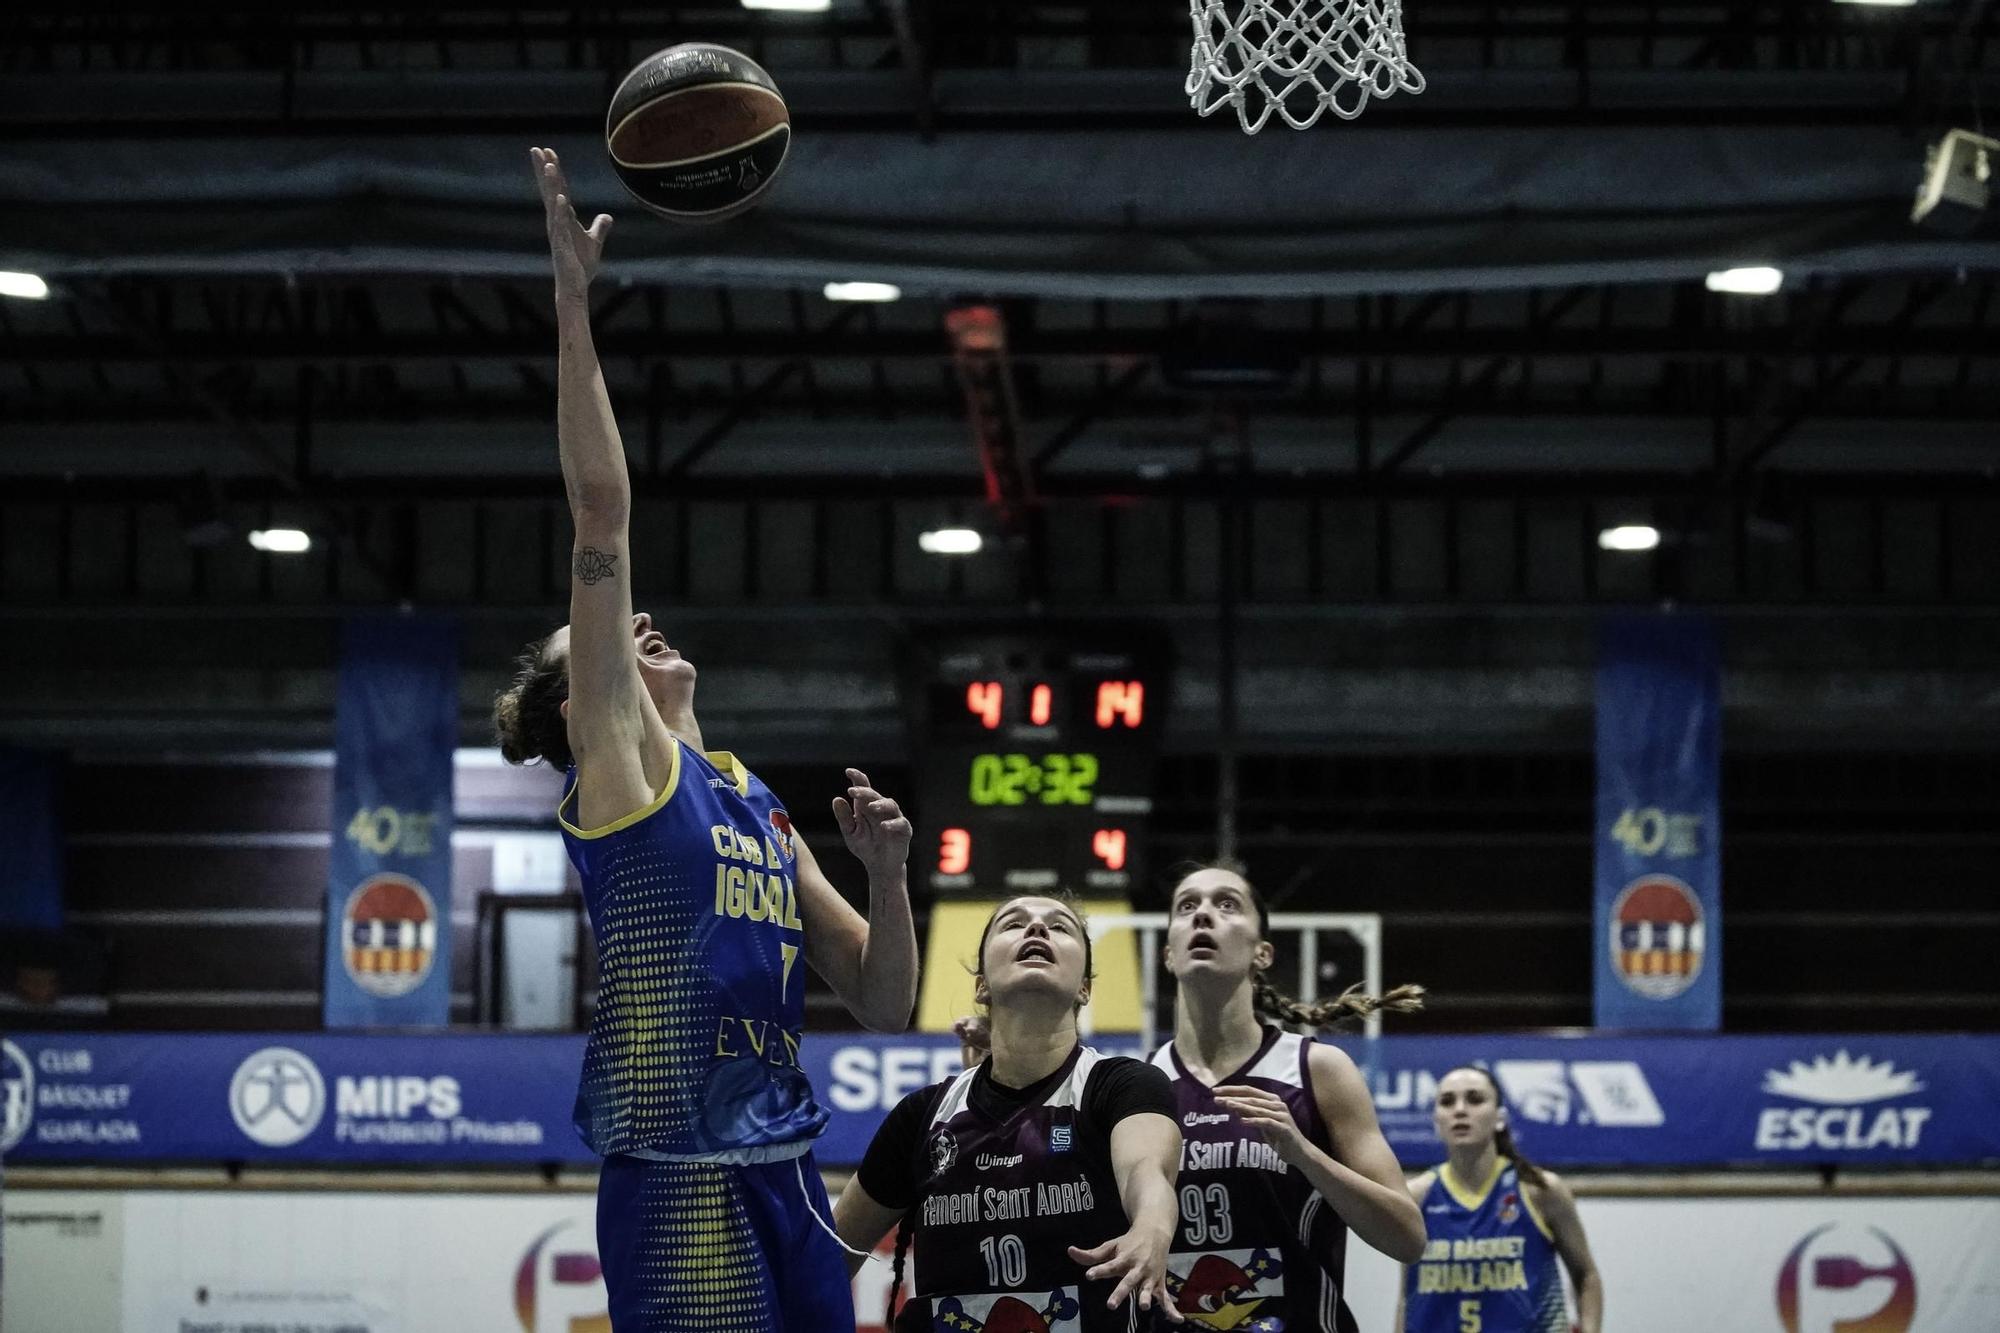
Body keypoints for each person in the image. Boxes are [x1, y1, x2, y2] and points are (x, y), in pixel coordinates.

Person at [493, 145, 920, 1333]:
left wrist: (886, 876)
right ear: (583, 707)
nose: (638, 626)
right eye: (603, 643)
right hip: (675, 1176)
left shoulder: (751, 800)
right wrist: (573, 302)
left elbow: (883, 1002)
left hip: (784, 1165)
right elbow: (600, 509)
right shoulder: (623, 775)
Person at [832, 894, 1188, 1331]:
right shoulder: (923, 1115)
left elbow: (1146, 1171)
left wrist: (1152, 1227)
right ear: (981, 985)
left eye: (1059, 926)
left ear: (1085, 988)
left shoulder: (1122, 1084)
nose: (1036, 929)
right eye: (1013, 924)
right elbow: (828, 1256)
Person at [1149, 862, 1428, 1331]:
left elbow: (1408, 1238)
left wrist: (1305, 1156)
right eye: (1187, 906)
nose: (1202, 916)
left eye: (1226, 904)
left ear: (1262, 954)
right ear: (1168, 955)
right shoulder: (1140, 1084)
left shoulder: (1318, 1071)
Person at [1396, 1066, 1603, 1333]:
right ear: (1436, 1119)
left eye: (1475, 1099)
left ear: (1500, 1118)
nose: (1460, 1110)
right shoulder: (1415, 1196)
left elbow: (1586, 1276)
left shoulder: (1539, 1190)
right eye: (1447, 1102)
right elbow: (1407, 1297)